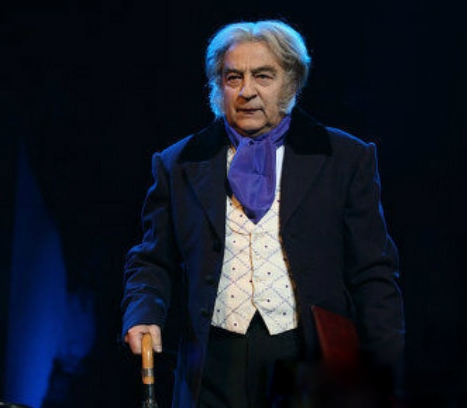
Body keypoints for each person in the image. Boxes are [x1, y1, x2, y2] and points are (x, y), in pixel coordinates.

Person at [121, 19, 405, 408]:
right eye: (233, 77)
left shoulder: (344, 158)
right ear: (218, 87)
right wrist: (143, 312)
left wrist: (385, 370)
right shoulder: (179, 163)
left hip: (308, 355)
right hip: (213, 358)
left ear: (291, 83)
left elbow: (373, 273)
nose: (247, 91)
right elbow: (152, 259)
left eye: (263, 76)